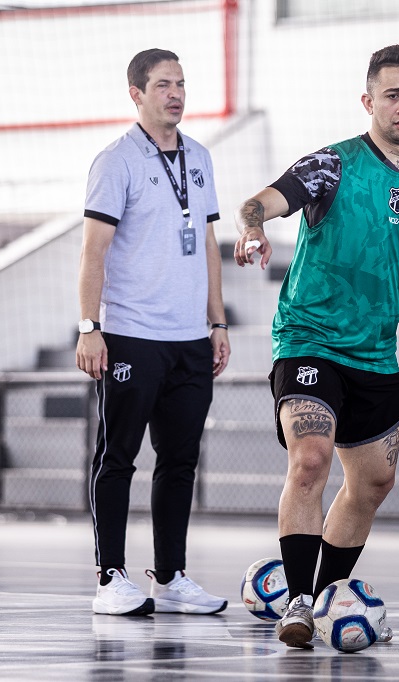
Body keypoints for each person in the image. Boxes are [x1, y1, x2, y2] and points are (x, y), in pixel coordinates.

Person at [233, 44, 399, 648]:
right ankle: (297, 601)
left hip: (374, 354)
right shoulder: (331, 165)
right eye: (392, 94)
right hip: (309, 340)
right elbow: (260, 201)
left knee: (373, 483)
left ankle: (328, 596)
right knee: (312, 458)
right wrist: (251, 228)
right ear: (368, 100)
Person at [77, 48, 230, 617]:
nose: (176, 93)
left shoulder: (200, 158)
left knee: (180, 459)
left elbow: (210, 245)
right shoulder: (115, 162)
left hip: (189, 339)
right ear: (136, 94)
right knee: (117, 457)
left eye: (182, 84)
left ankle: (170, 576)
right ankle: (110, 577)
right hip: (132, 335)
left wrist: (216, 321)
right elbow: (94, 250)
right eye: (163, 84)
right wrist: (91, 326)